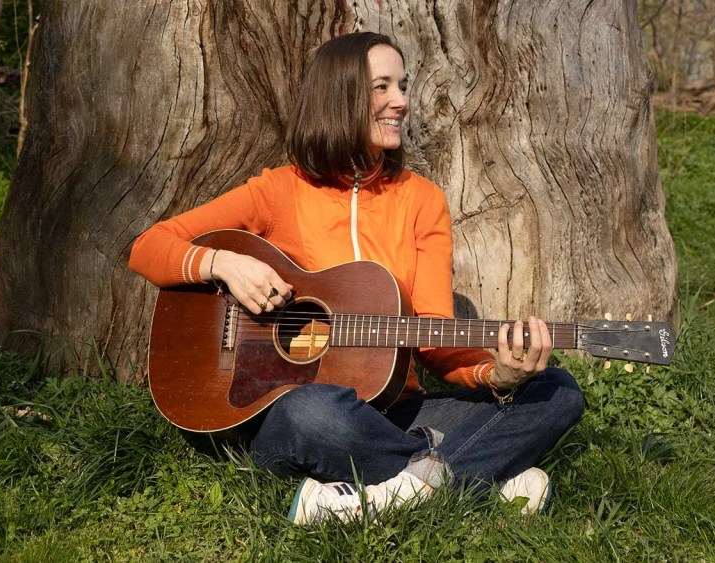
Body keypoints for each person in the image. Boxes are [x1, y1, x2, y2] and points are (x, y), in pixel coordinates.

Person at [129, 32, 583, 525]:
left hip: (397, 410)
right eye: (382, 87)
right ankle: (474, 475)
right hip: (301, 411)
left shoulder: (422, 200)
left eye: (403, 86)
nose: (401, 101)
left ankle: (387, 494)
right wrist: (224, 264)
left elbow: (435, 338)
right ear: (338, 95)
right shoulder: (277, 192)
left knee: (557, 391)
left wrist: (498, 377)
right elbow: (148, 247)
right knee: (314, 412)